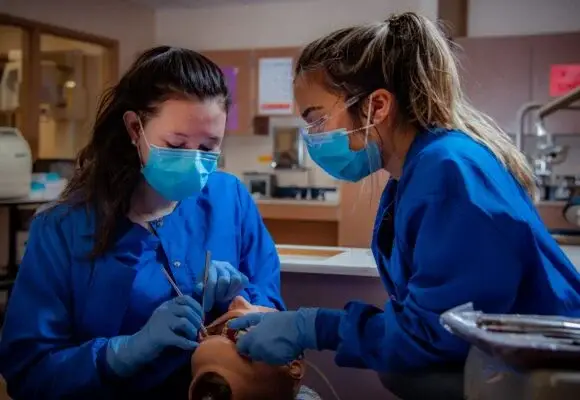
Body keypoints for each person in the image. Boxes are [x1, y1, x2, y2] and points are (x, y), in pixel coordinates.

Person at [229, 12, 580, 400]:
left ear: (377, 106)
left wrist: (313, 327)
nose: (313, 137)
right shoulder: (416, 173)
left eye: (316, 120)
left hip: (544, 374)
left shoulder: (448, 171)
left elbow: (434, 335)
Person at [0, 46, 284, 400]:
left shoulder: (230, 200)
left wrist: (241, 302)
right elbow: (28, 371)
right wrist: (123, 352)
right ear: (135, 128)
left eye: (209, 147)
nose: (195, 162)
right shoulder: (63, 229)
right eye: (177, 145)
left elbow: (271, 308)